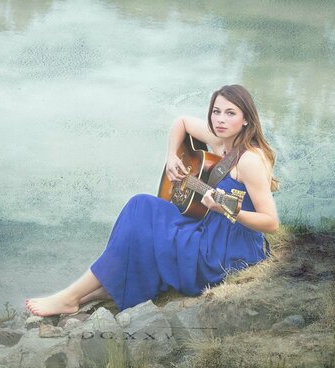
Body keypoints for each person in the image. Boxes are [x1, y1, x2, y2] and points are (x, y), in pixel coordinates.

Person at [26, 84, 279, 317]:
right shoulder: (220, 139)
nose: (220, 119)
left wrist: (225, 210)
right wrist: (171, 157)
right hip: (210, 228)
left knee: (146, 222)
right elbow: (180, 122)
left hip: (225, 254)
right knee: (140, 206)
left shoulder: (250, 160)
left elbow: (271, 222)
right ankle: (105, 284)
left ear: (246, 119)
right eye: (216, 111)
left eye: (230, 113)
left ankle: (71, 297)